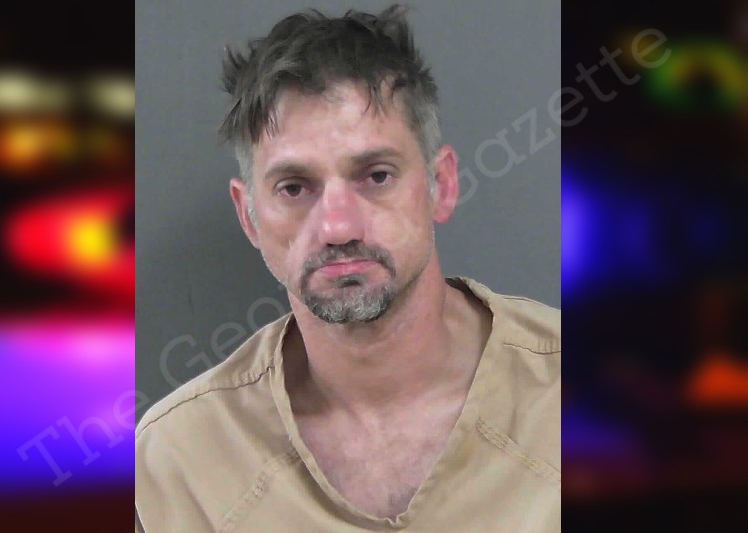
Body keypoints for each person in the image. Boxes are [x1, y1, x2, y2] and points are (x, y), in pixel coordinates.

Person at [136, 5, 559, 531]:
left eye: (376, 176)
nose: (337, 227)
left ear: (442, 185)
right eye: (294, 188)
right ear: (249, 217)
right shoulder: (181, 460)